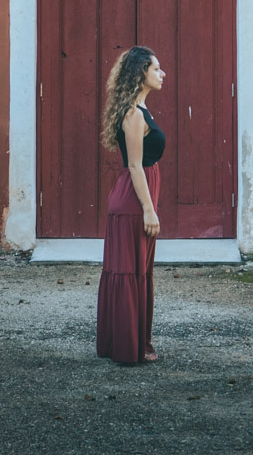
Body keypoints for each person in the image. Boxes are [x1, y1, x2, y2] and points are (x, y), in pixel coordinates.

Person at [95, 46, 167, 365]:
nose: (161, 74)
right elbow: (135, 166)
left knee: (136, 272)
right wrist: (149, 210)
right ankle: (128, 348)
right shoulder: (134, 115)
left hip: (135, 199)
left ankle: (131, 342)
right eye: (156, 68)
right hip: (133, 203)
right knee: (128, 272)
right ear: (141, 74)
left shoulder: (141, 110)